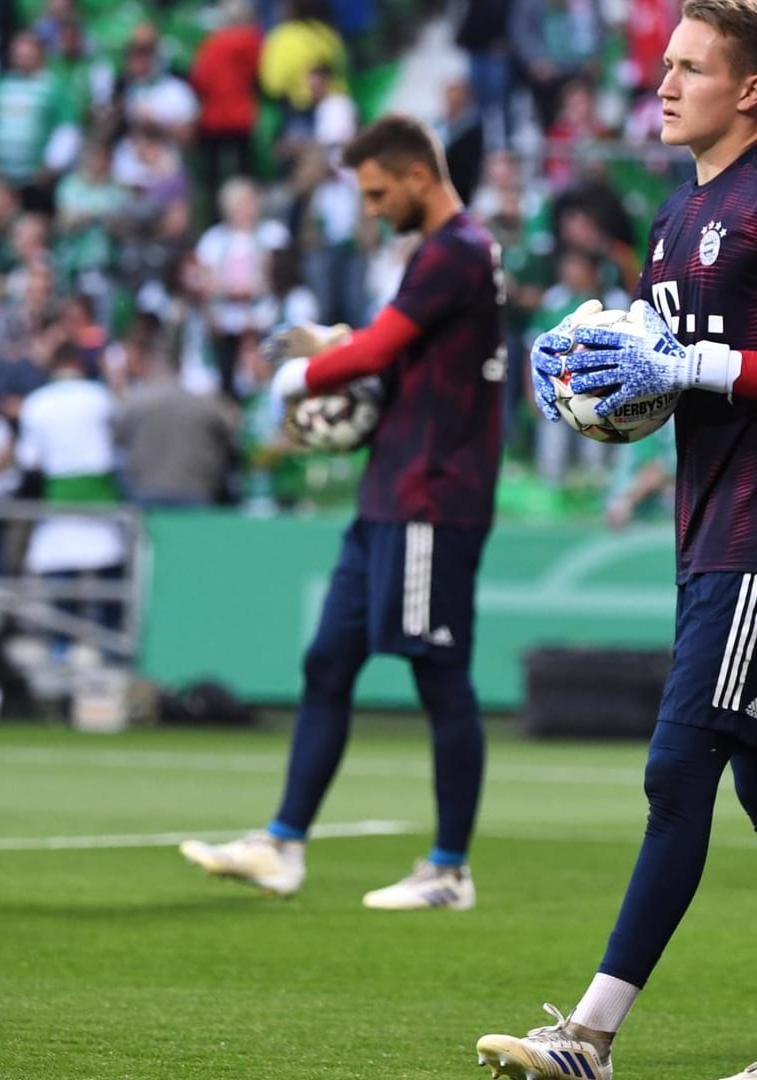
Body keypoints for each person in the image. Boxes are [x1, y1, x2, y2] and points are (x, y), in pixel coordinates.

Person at [477, 2, 757, 1077]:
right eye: (664, 63)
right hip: (712, 530)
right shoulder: (670, 218)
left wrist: (692, 369)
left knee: (676, 768)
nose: (663, 83)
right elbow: (666, 376)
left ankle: (592, 1035)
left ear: (749, 90)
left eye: (690, 67)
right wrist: (598, 386)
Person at [179, 114, 506, 909]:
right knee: (328, 661)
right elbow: (397, 350)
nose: (369, 207)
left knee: (439, 672)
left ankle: (449, 869)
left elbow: (380, 352)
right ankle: (283, 845)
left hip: (432, 494)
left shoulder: (455, 249)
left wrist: (302, 377)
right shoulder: (442, 254)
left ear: (418, 178)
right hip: (391, 491)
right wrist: (341, 342)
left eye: (376, 191)